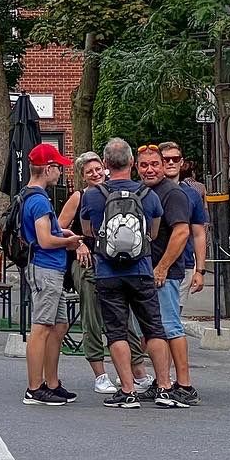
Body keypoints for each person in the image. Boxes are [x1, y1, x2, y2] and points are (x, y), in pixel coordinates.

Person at [78, 138, 176, 409]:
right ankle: (164, 388)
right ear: (133, 163)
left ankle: (128, 390)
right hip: (142, 269)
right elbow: (153, 234)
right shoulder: (149, 195)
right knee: (154, 328)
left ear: (106, 164)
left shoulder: (92, 195)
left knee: (117, 332)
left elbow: (87, 230)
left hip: (108, 271)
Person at [56, 151, 152, 395]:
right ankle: (100, 374)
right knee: (93, 317)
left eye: (98, 169)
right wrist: (79, 243)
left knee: (124, 318)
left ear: (106, 167)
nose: (95, 174)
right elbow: (58, 229)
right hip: (87, 264)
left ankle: (137, 370)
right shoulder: (79, 197)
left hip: (115, 263)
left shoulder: (114, 193)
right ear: (82, 176)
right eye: (89, 171)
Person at [18, 144, 86, 405]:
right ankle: (34, 388)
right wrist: (68, 242)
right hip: (46, 267)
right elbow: (45, 240)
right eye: (57, 167)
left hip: (47, 268)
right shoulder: (39, 200)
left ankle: (52, 382)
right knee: (42, 326)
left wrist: (62, 232)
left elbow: (48, 232)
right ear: (47, 169)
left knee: (58, 325)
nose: (60, 171)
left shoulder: (29, 195)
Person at [138, 144, 200, 407]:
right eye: (144, 165)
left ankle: (185, 385)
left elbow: (182, 232)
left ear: (164, 166)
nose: (150, 169)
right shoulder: (144, 191)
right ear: (136, 168)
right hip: (148, 272)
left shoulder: (172, 193)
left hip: (166, 273)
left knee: (171, 326)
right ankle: (162, 381)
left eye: (155, 164)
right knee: (156, 329)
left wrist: (162, 267)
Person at [160, 142, 209, 299]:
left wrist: (200, 270)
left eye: (175, 158)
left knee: (174, 317)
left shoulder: (192, 194)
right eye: (166, 159)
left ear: (182, 162)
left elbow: (199, 234)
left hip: (185, 264)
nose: (171, 162)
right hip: (154, 263)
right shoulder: (148, 191)